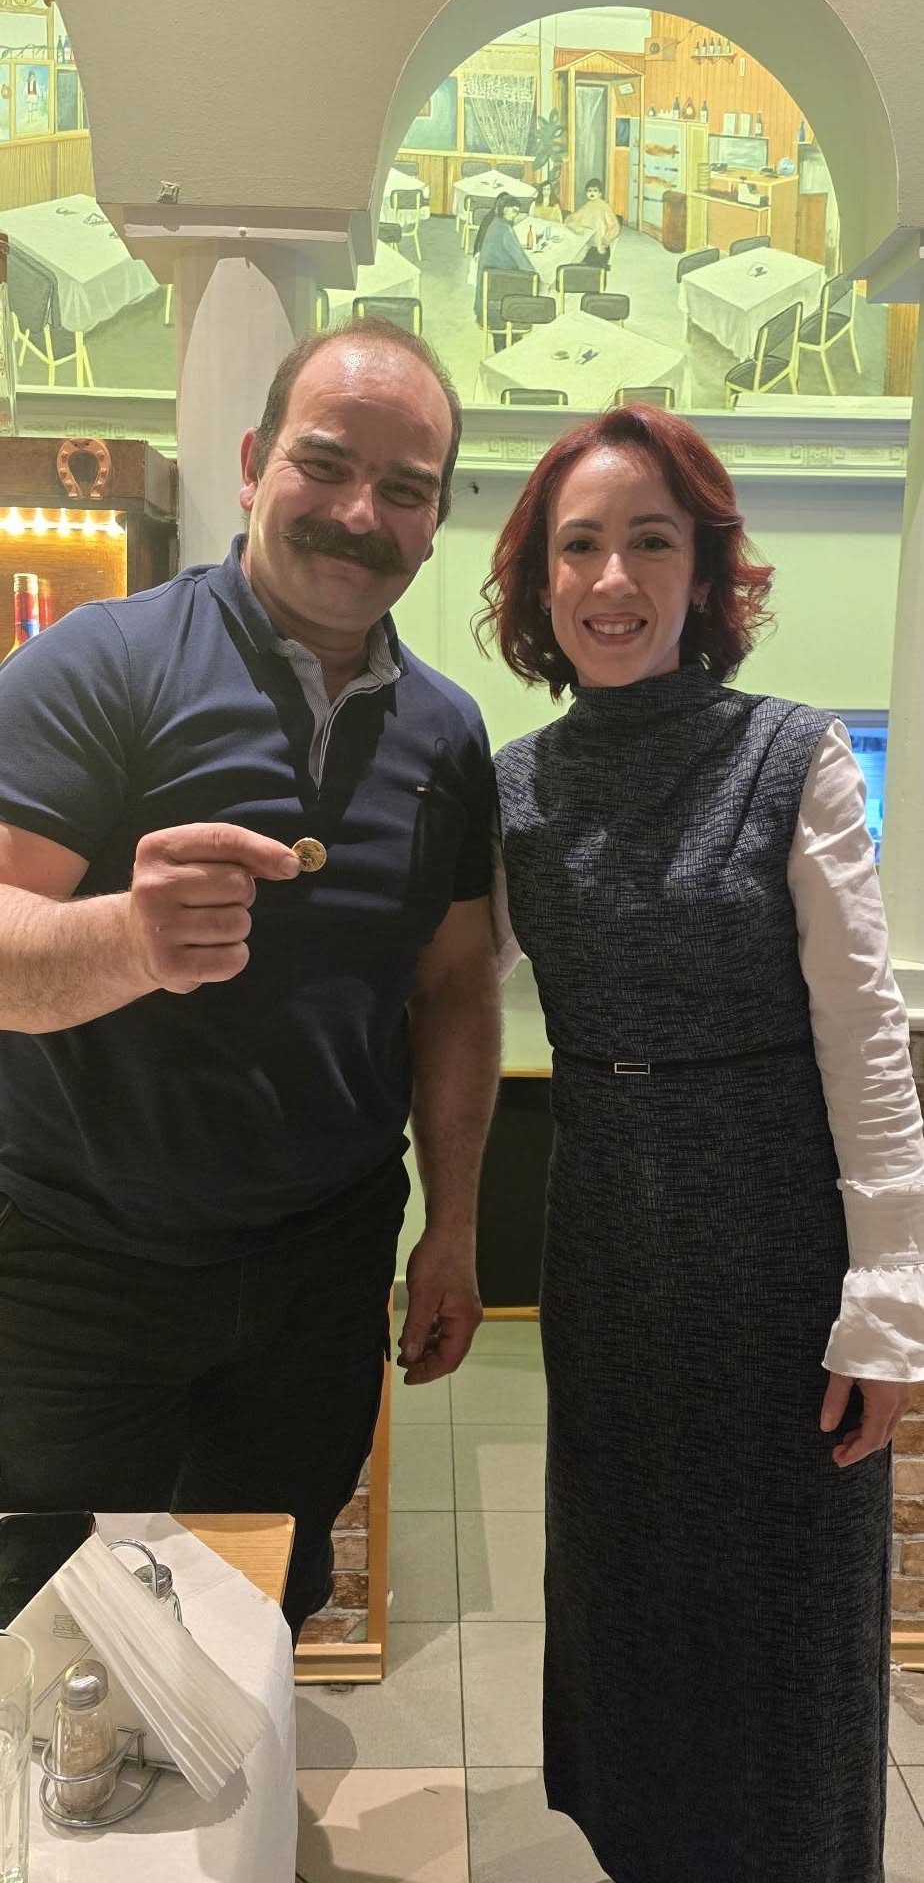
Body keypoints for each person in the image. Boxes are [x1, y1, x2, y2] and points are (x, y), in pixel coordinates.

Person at [0, 317, 500, 1643]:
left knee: (252, 1613)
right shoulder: (100, 662)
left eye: (404, 488)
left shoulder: (448, 735)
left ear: (435, 520)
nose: (360, 513)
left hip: (318, 1276)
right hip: (75, 1267)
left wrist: (452, 1229)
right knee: (51, 1634)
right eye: (324, 464)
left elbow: (457, 985)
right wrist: (129, 939)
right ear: (250, 461)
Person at [481, 404, 924, 1882]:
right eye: (579, 546)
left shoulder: (793, 756)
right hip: (606, 1247)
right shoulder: (516, 788)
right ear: (540, 581)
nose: (613, 579)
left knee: (788, 1628)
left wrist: (888, 1306)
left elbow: (867, 1041)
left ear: (707, 571)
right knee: (630, 1604)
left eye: (651, 542)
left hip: (778, 1257)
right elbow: (444, 989)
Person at [473, 192, 535, 350]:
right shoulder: (505, 229)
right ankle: (512, 342)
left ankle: (502, 344)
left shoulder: (495, 224)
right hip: (502, 300)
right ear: (505, 209)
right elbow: (521, 258)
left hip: (487, 298)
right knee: (531, 285)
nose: (515, 215)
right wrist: (537, 277)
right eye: (514, 211)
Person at [565, 175, 621, 271]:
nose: (592, 193)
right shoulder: (587, 206)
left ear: (600, 194)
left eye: (595, 191)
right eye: (589, 191)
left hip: (600, 247)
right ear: (586, 193)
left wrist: (605, 240)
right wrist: (573, 225)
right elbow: (571, 219)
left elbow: (615, 226)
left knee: (582, 266)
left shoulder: (604, 207)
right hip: (588, 245)